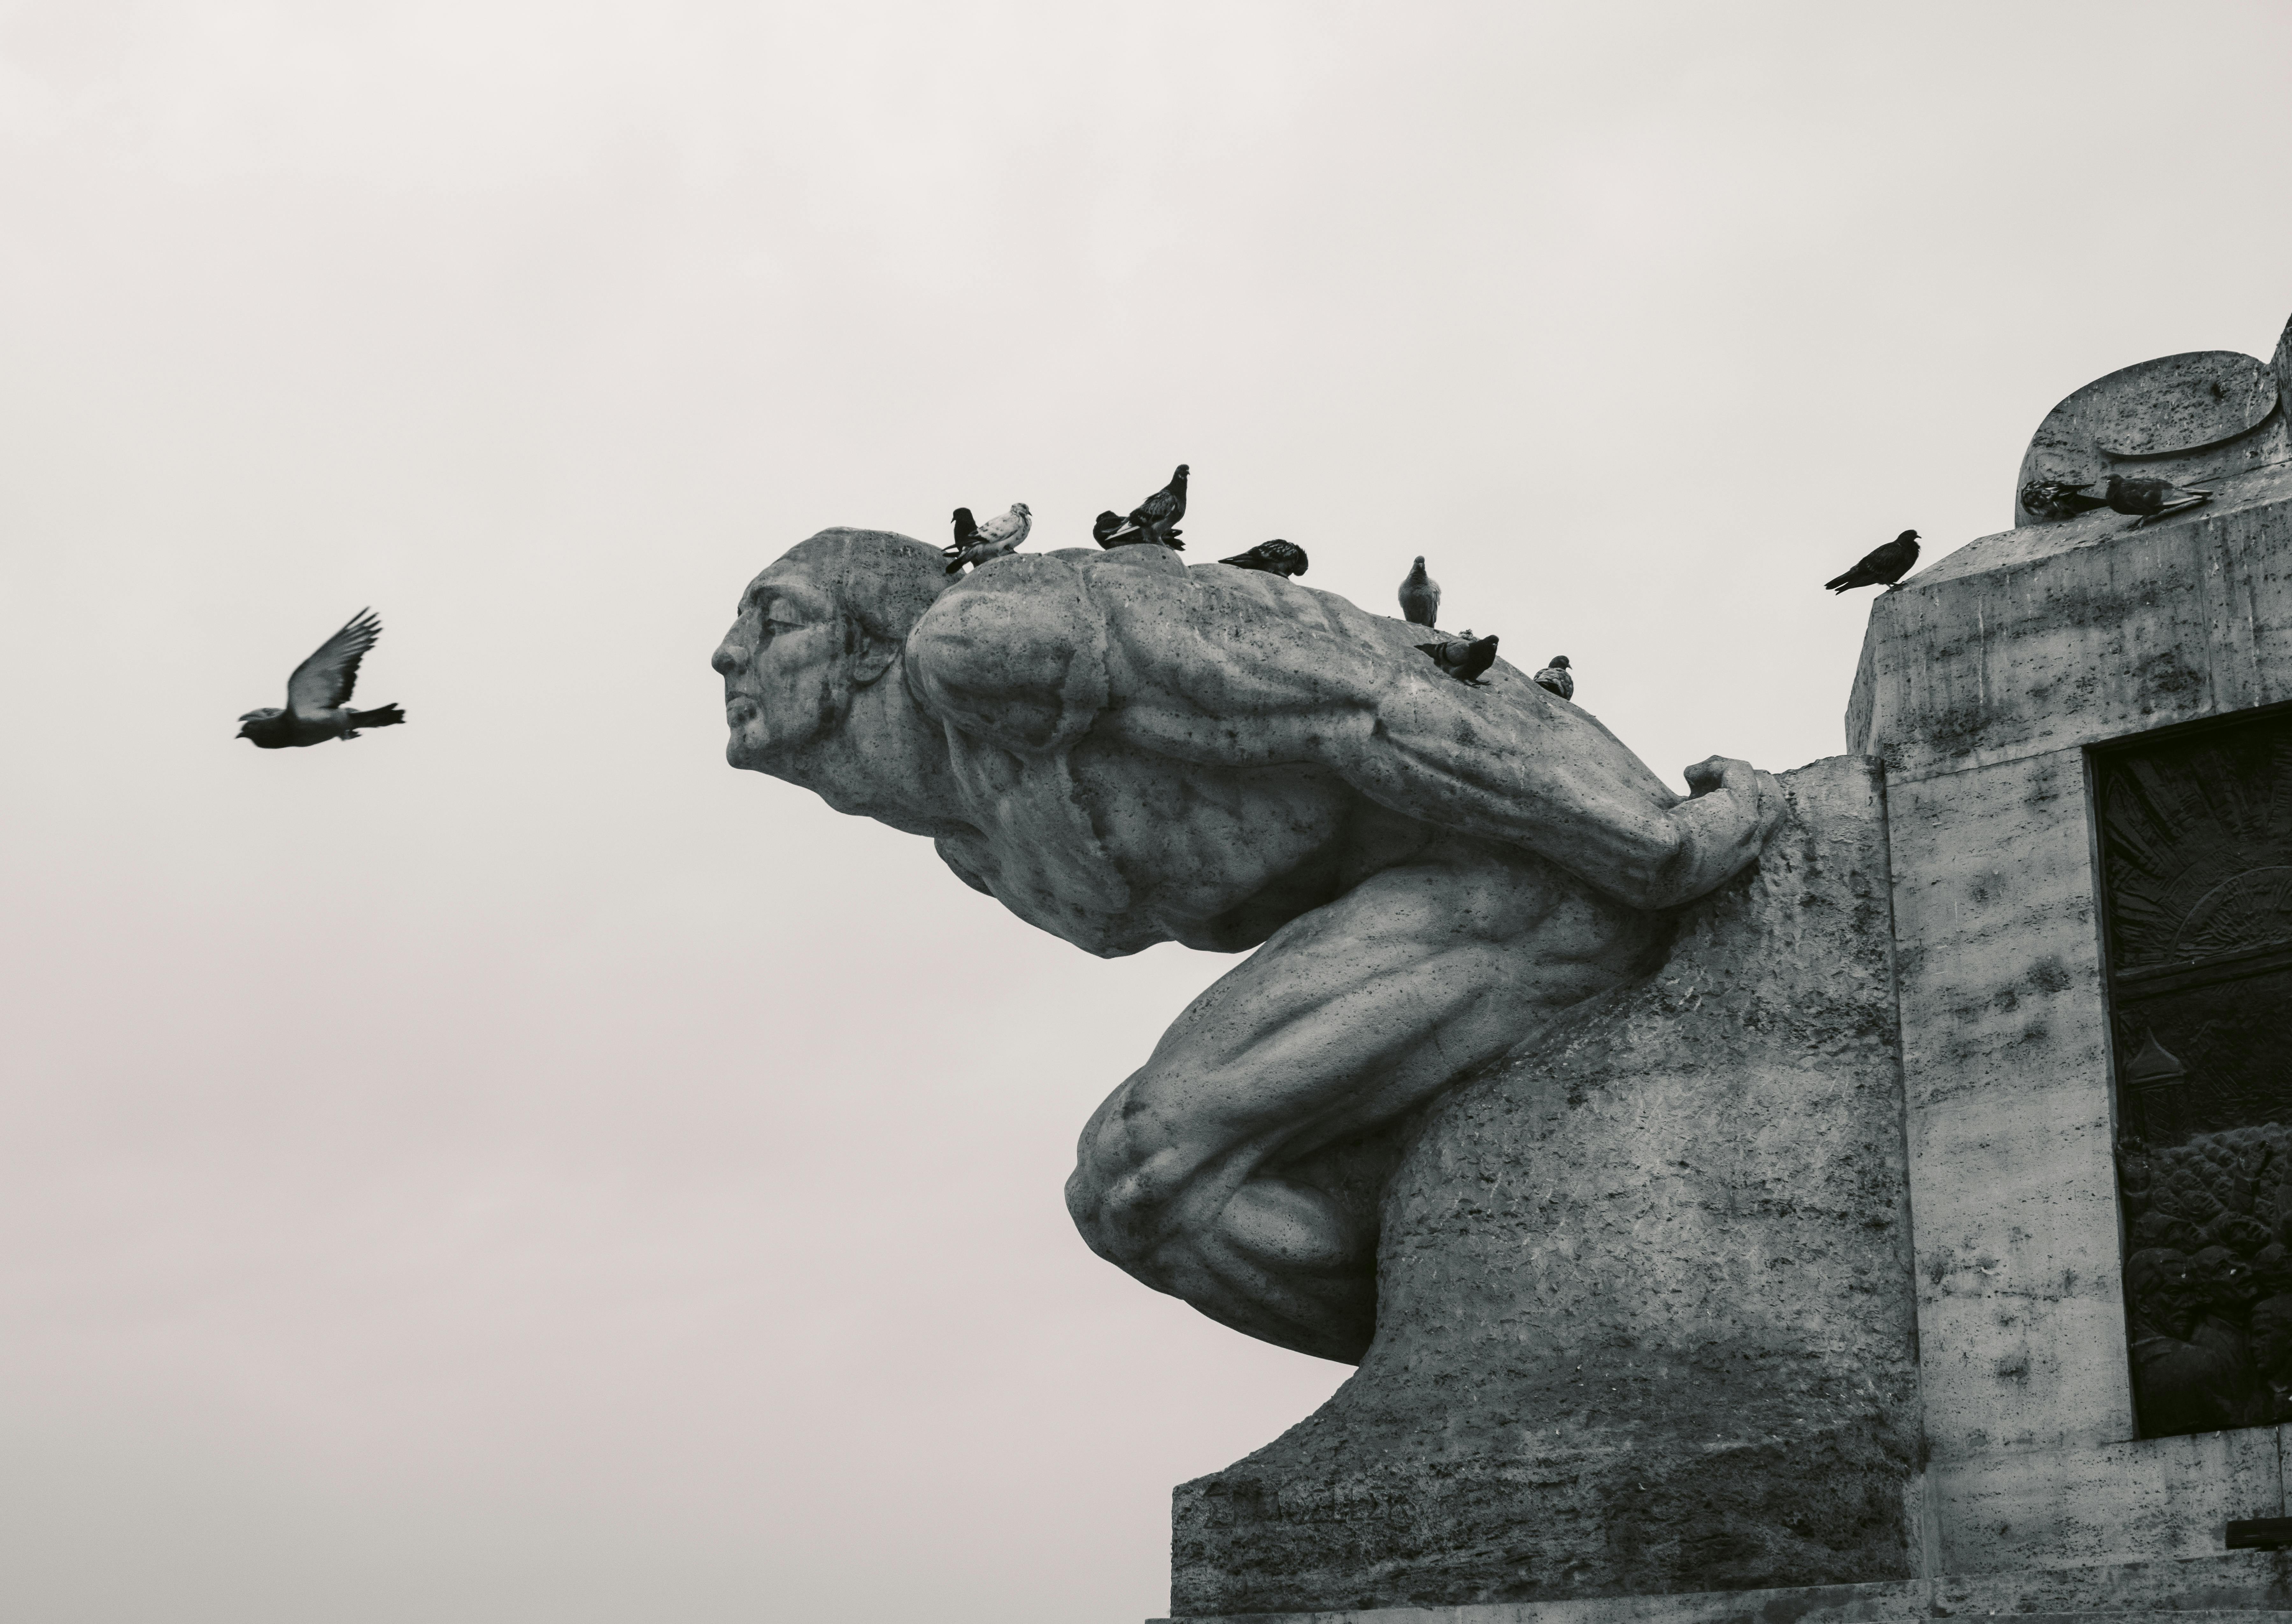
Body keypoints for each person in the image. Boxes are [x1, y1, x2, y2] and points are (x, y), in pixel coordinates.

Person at [713, 529, 1783, 1360]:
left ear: (867, 645)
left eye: (775, 618)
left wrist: (1641, 844)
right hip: (1437, 898)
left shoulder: (989, 647)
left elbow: (1359, 704)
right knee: (1135, 1203)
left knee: (1144, 1173)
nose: (728, 654)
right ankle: (1489, 1358)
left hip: (1539, 861)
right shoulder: (974, 840)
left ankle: (1502, 1363)